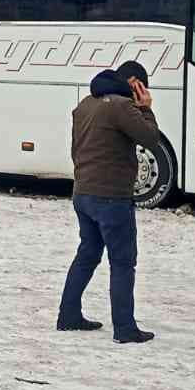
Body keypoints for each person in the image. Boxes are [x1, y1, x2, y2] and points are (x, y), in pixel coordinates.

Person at [58, 62, 160, 345]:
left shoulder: (86, 104)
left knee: (88, 253)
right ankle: (125, 328)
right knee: (123, 262)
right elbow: (150, 138)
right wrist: (146, 107)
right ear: (134, 82)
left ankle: (68, 314)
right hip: (112, 196)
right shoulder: (122, 106)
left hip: (83, 192)